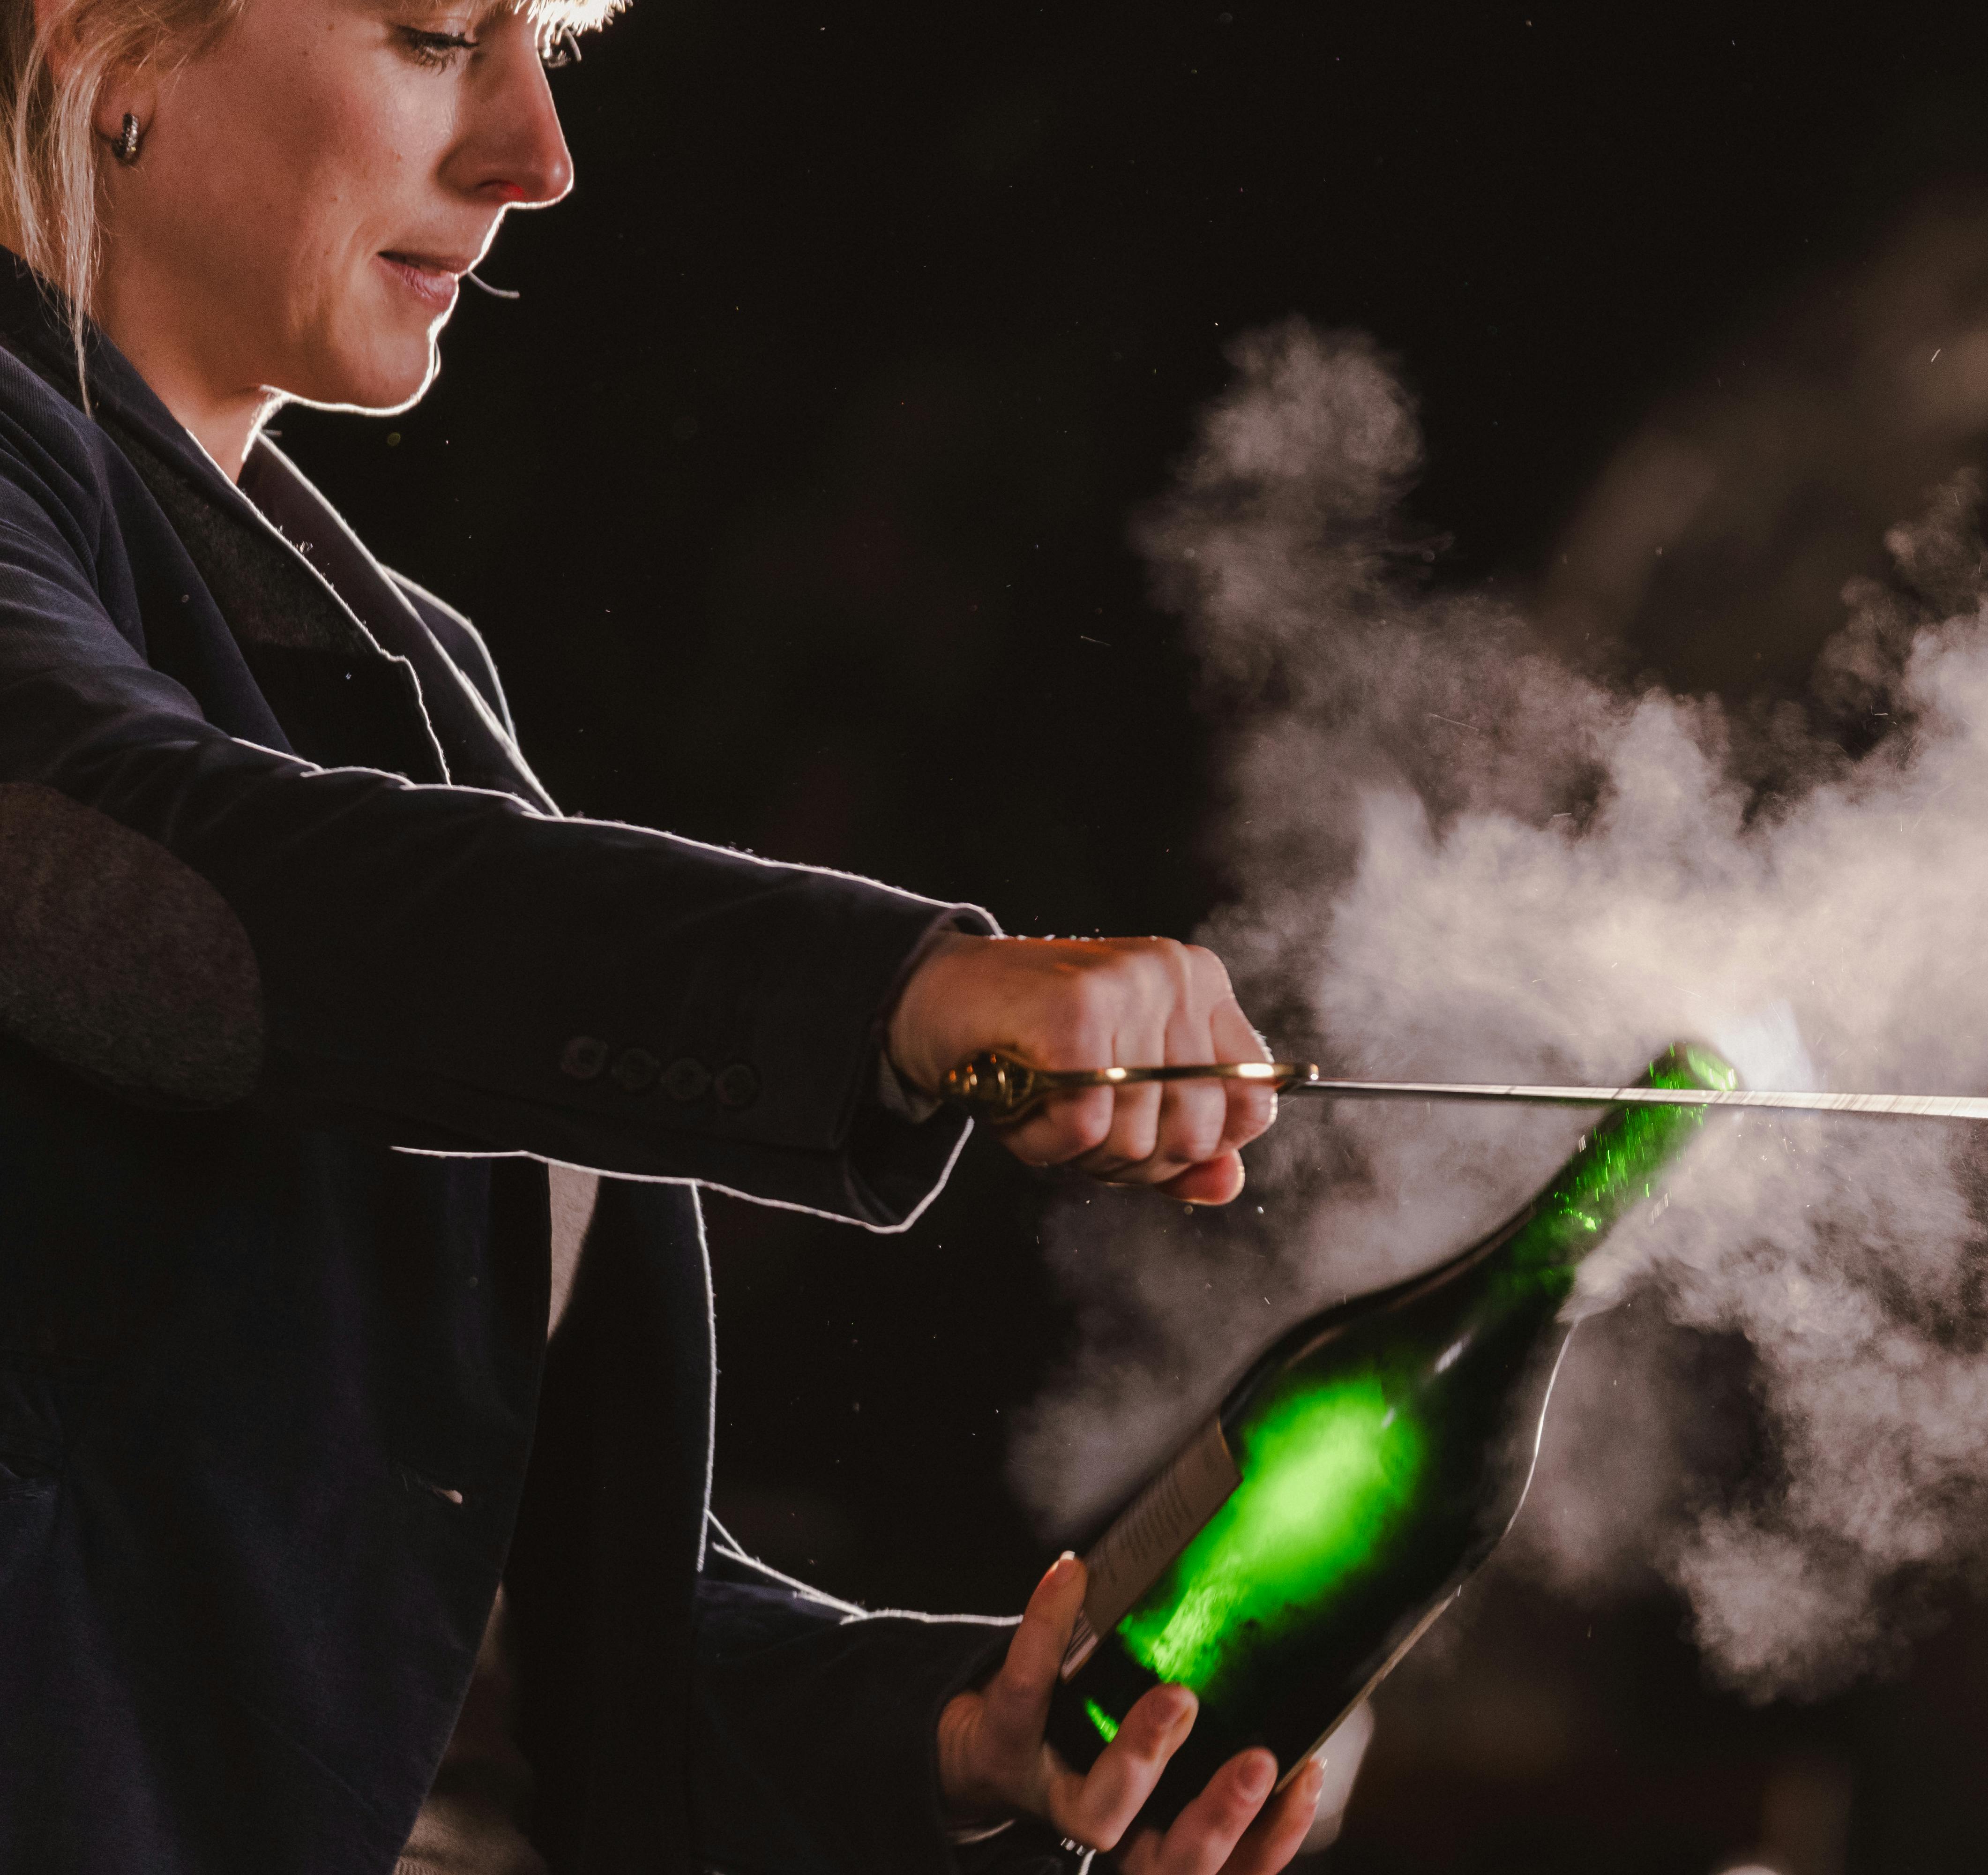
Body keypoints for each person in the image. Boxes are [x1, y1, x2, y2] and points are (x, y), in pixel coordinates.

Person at [0, 0, 1323, 1870]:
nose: (537, 157)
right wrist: (891, 991)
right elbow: (160, 878)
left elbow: (475, 1610)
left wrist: (956, 1738)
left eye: (543, 49)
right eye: (436, 35)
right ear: (105, 42)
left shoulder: (414, 683)